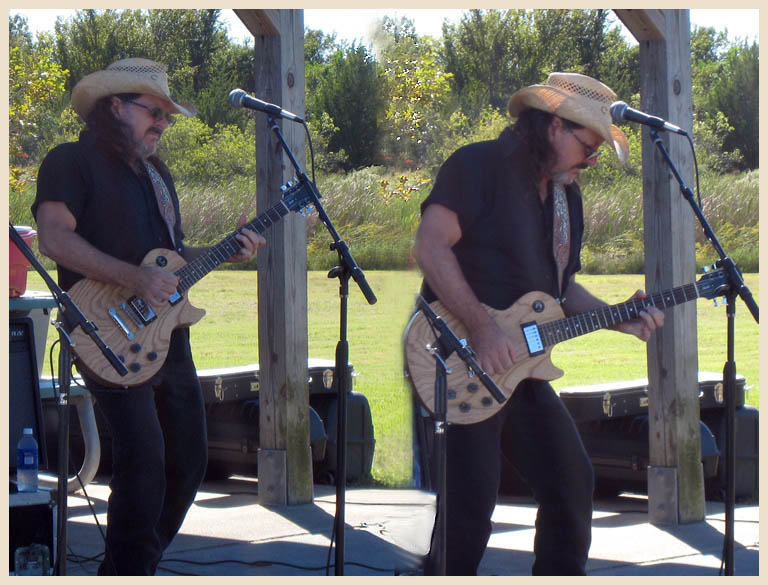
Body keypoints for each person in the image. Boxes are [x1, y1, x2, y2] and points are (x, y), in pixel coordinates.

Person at [412, 72, 665, 575]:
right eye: (589, 146)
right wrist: (483, 330)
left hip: (520, 370)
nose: (591, 160)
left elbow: (560, 290)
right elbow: (430, 246)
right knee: (469, 510)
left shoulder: (566, 199)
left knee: (571, 483)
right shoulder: (476, 165)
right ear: (555, 126)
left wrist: (617, 315)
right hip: (456, 359)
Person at [32, 58, 265, 575]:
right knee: (143, 465)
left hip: (164, 335)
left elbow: (168, 260)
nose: (163, 122)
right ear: (115, 107)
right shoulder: (70, 161)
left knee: (187, 461)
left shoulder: (157, 174)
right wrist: (134, 280)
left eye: (168, 115)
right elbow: (53, 238)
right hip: (104, 329)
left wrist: (225, 249)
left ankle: (132, 565)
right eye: (154, 112)